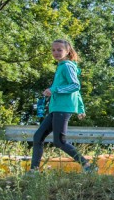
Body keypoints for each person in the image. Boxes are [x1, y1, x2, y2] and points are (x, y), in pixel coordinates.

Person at [31, 39, 92, 171]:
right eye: (53, 50)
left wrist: (53, 90)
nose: (56, 52)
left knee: (59, 141)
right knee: (38, 137)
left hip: (63, 108)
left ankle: (87, 166)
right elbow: (74, 89)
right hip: (56, 108)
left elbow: (75, 85)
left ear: (67, 51)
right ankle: (33, 171)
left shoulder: (67, 66)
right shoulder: (61, 66)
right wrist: (80, 108)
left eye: (59, 50)